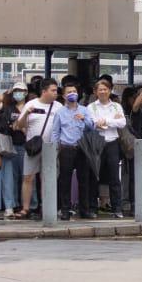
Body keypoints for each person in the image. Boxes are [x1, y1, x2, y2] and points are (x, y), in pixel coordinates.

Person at [14, 78, 57, 219]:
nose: (56, 93)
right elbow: (19, 126)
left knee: (47, 178)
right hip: (33, 147)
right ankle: (26, 208)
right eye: (53, 90)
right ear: (44, 91)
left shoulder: (58, 107)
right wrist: (27, 113)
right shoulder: (31, 104)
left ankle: (47, 207)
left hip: (51, 148)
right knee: (28, 177)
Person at [52, 85, 96, 220]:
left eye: (74, 92)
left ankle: (85, 210)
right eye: (69, 92)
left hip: (82, 148)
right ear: (64, 96)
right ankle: (65, 209)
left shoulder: (84, 110)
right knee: (65, 180)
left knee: (84, 179)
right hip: (66, 148)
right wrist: (55, 149)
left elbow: (92, 127)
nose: (72, 94)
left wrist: (84, 118)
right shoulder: (60, 112)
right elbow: (55, 132)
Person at [87, 79, 127, 218]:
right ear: (95, 92)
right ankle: (92, 208)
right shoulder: (91, 107)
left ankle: (117, 208)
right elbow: (91, 123)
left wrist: (106, 121)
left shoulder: (116, 106)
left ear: (110, 90)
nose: (103, 91)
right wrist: (109, 122)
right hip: (97, 143)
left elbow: (122, 123)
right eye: (100, 89)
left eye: (105, 89)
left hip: (112, 143)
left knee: (114, 177)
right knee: (94, 176)